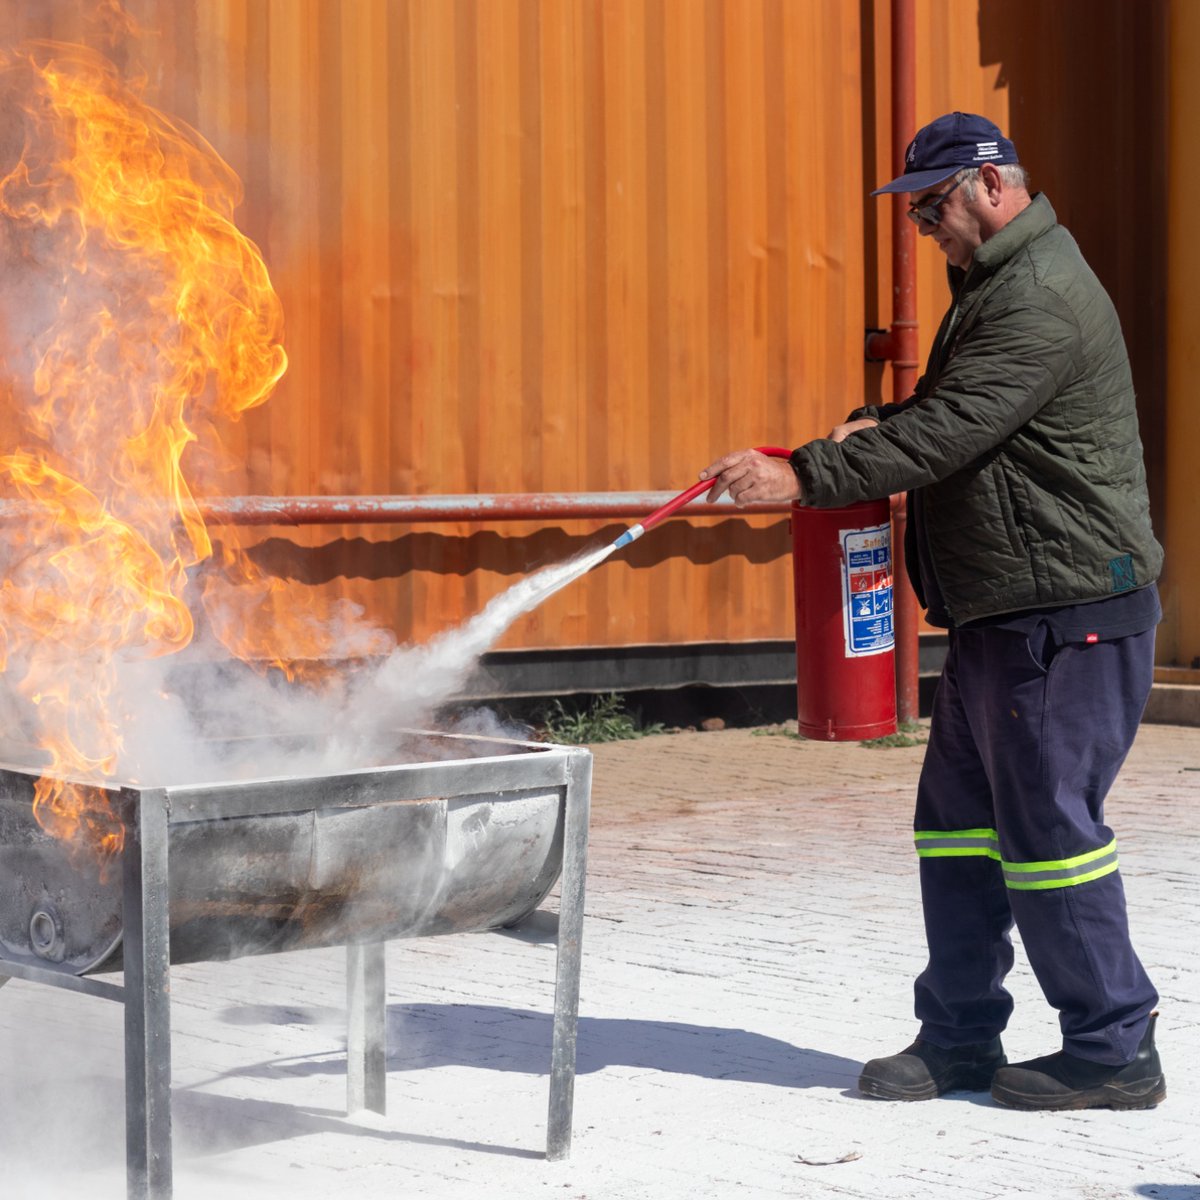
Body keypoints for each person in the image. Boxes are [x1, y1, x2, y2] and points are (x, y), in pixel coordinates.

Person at [701, 111, 1166, 1111]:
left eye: (932, 209)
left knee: (1050, 836)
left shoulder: (1039, 295)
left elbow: (957, 428)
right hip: (1005, 612)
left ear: (993, 186)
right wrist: (876, 430)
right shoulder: (997, 286)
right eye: (916, 214)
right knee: (957, 828)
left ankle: (1114, 1046)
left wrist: (806, 475)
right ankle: (959, 1036)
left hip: (1068, 613)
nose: (925, 231)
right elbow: (958, 416)